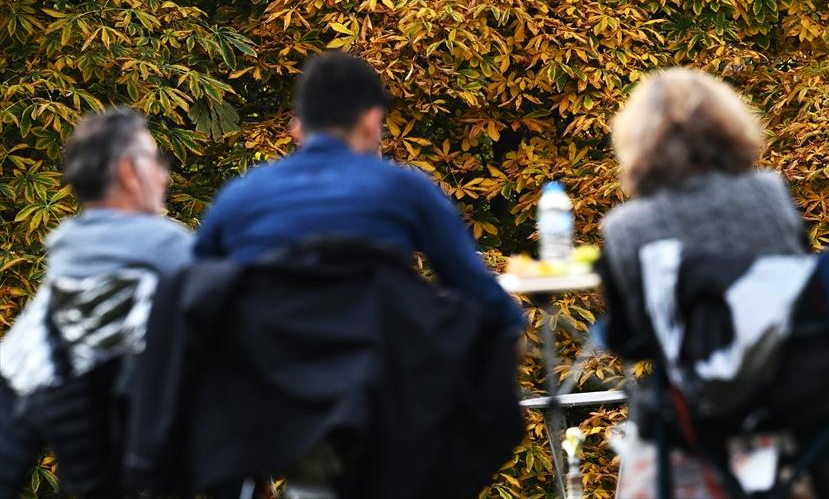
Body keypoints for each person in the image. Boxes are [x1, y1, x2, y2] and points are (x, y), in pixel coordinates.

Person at [600, 67, 829, 499]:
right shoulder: (770, 194)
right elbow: (799, 287)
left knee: (646, 418)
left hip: (699, 420)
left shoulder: (626, 229)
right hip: (797, 403)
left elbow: (635, 341)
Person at [192, 50, 524, 335]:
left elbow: (194, 301)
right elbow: (485, 300)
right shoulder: (405, 191)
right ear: (371, 121)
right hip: (378, 399)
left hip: (265, 398)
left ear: (297, 127)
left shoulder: (238, 199)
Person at [0, 108, 192, 499]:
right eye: (156, 160)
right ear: (127, 171)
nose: (164, 175)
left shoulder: (63, 268)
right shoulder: (172, 252)